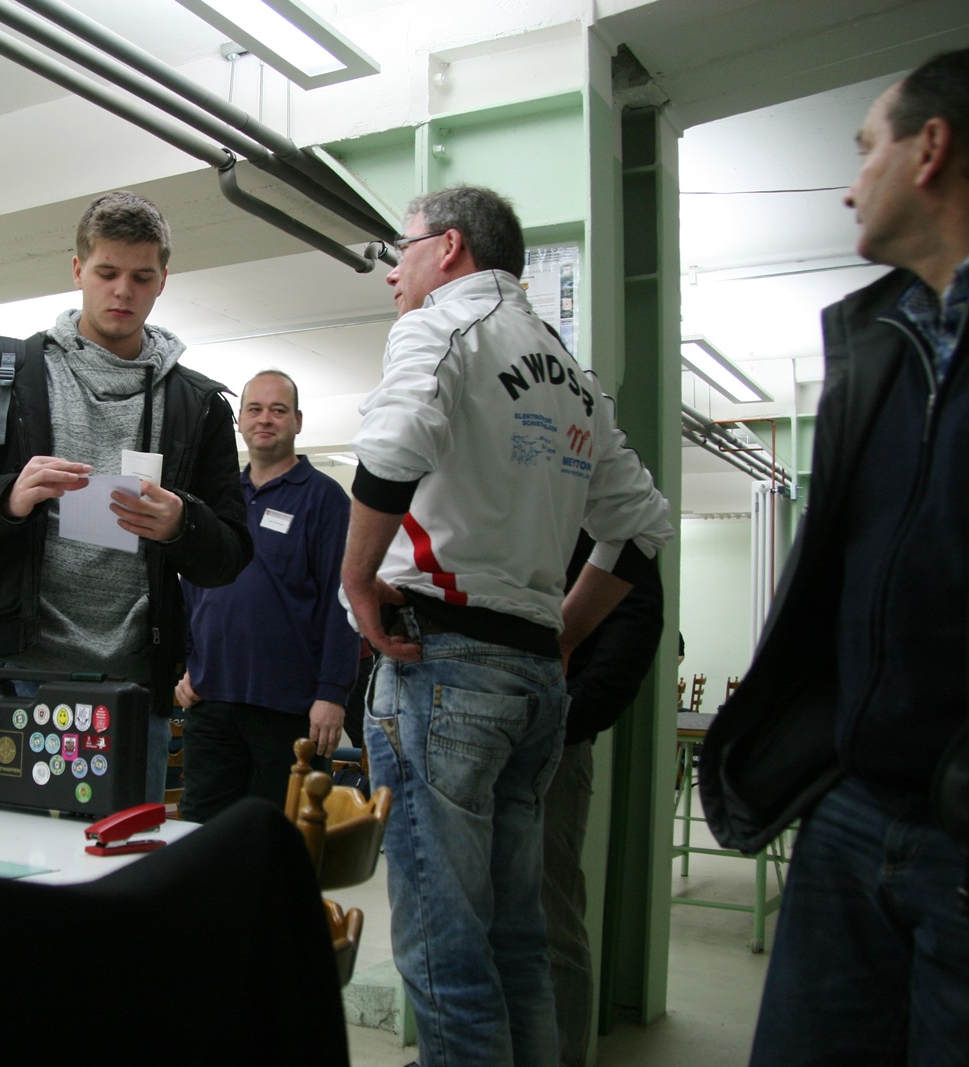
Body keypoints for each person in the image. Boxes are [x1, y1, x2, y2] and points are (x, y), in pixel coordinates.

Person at [340, 185, 673, 1066]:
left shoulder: (443, 326)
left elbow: (393, 445)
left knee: (444, 952)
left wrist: (356, 578)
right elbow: (641, 526)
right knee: (518, 940)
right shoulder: (570, 372)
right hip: (531, 684)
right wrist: (561, 634)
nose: (393, 274)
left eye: (401, 250)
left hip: (443, 668)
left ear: (448, 247)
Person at [699, 50, 969, 1065]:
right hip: (851, 805)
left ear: (929, 149)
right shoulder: (880, 344)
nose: (851, 185)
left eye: (865, 151)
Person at [0, 191, 251, 799]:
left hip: (131, 688)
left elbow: (230, 554)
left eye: (141, 277)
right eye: (106, 272)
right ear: (77, 270)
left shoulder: (196, 404)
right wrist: (8, 497)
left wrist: (183, 523)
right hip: (8, 676)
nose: (122, 291)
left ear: (162, 281)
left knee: (117, 856)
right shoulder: (10, 373)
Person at [173, 370, 358, 822]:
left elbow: (343, 603)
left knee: (281, 839)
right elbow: (191, 586)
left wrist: (333, 695)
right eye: (254, 409)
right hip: (211, 700)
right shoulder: (216, 500)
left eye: (278, 410)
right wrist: (185, 664)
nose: (265, 419)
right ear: (239, 421)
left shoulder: (326, 499)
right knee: (199, 837)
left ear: (297, 421)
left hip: (291, 708)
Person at [542, 531, 664, 1067]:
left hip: (552, 741)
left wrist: (571, 716)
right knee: (469, 911)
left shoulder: (608, 504)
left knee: (550, 914)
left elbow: (636, 617)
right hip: (474, 724)